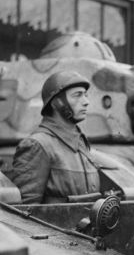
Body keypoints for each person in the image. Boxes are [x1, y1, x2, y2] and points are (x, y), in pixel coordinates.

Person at [10, 70, 100, 203]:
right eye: (77, 95)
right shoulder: (37, 145)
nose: (86, 102)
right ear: (56, 103)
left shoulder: (80, 142)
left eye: (85, 95)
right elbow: (25, 211)